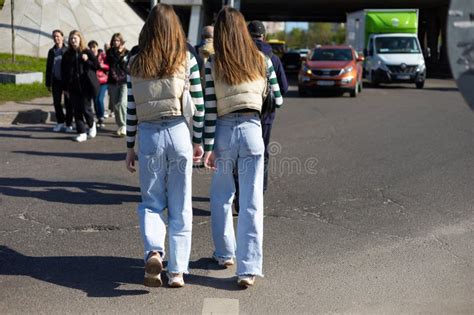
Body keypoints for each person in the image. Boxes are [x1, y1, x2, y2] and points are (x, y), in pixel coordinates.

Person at [125, 3, 205, 288]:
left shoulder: (134, 62)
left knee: (151, 202)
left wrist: (129, 146)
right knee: (181, 205)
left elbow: (131, 108)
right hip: (178, 132)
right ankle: (177, 272)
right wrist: (199, 142)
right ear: (175, 29)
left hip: (148, 135)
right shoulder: (187, 59)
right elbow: (199, 106)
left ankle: (154, 252)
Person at [202, 7, 283, 287]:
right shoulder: (262, 59)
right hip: (252, 129)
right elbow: (279, 100)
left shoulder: (213, 63)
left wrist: (207, 146)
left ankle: (225, 254)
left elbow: (210, 109)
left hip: (224, 130)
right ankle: (248, 269)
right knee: (251, 201)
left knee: (222, 195)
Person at [232, 20, 289, 213]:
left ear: (247, 35)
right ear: (263, 36)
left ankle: (239, 197)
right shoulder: (273, 57)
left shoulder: (238, 54)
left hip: (241, 111)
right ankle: (258, 194)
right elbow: (284, 87)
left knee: (239, 155)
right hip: (265, 115)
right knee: (261, 155)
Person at [61, 30, 99, 142]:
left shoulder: (87, 51)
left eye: (75, 38)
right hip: (73, 87)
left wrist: (87, 60)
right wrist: (65, 88)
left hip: (86, 86)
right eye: (71, 39)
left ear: (80, 39)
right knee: (76, 110)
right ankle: (82, 133)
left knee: (86, 109)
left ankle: (92, 125)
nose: (73, 41)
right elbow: (63, 72)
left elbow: (96, 65)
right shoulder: (67, 54)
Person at [46, 29, 74, 133]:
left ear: (62, 37)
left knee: (68, 103)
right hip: (56, 80)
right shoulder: (51, 51)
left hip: (66, 81)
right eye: (54, 36)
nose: (56, 38)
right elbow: (48, 67)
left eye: (58, 36)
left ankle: (69, 124)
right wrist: (48, 83)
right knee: (56, 102)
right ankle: (60, 122)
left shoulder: (67, 50)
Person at [107, 33, 129, 136]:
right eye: (114, 41)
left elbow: (126, 67)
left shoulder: (127, 53)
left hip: (124, 81)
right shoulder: (110, 52)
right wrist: (118, 53)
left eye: (118, 40)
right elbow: (112, 62)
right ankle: (120, 125)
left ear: (121, 41)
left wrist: (123, 54)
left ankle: (124, 125)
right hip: (113, 82)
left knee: (122, 103)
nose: (116, 43)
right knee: (116, 105)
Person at [88, 40, 109, 128]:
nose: (93, 49)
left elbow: (108, 66)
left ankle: (101, 116)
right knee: (95, 100)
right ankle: (98, 117)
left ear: (97, 46)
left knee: (100, 99)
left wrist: (102, 66)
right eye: (91, 47)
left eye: (94, 47)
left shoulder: (103, 56)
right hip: (93, 82)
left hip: (103, 81)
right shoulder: (89, 57)